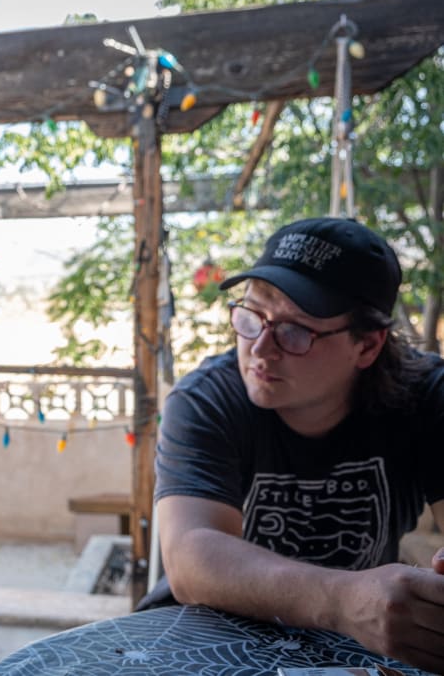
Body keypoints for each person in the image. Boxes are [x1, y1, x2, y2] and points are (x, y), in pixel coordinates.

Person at [150, 216, 444, 673]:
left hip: (351, 656)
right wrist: (344, 599)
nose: (261, 350)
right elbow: (191, 556)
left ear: (366, 345)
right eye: (252, 316)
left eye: (295, 331)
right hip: (199, 645)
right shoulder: (208, 399)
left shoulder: (425, 399)